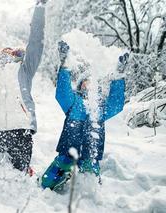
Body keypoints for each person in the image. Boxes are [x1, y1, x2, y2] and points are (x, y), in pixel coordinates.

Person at [41, 41, 128, 191]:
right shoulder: (74, 101)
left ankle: (89, 195)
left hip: (91, 152)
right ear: (80, 85)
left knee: (90, 181)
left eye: (92, 83)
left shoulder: (100, 107)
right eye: (85, 82)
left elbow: (116, 104)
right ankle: (50, 183)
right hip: (69, 148)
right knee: (52, 176)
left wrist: (118, 76)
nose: (89, 85)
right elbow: (62, 93)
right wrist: (65, 66)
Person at [0, 0, 47, 173]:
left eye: (10, 50)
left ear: (16, 53)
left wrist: (40, 8)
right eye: (3, 50)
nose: (6, 51)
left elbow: (36, 40)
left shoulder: (25, 69)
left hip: (20, 130)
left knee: (18, 176)